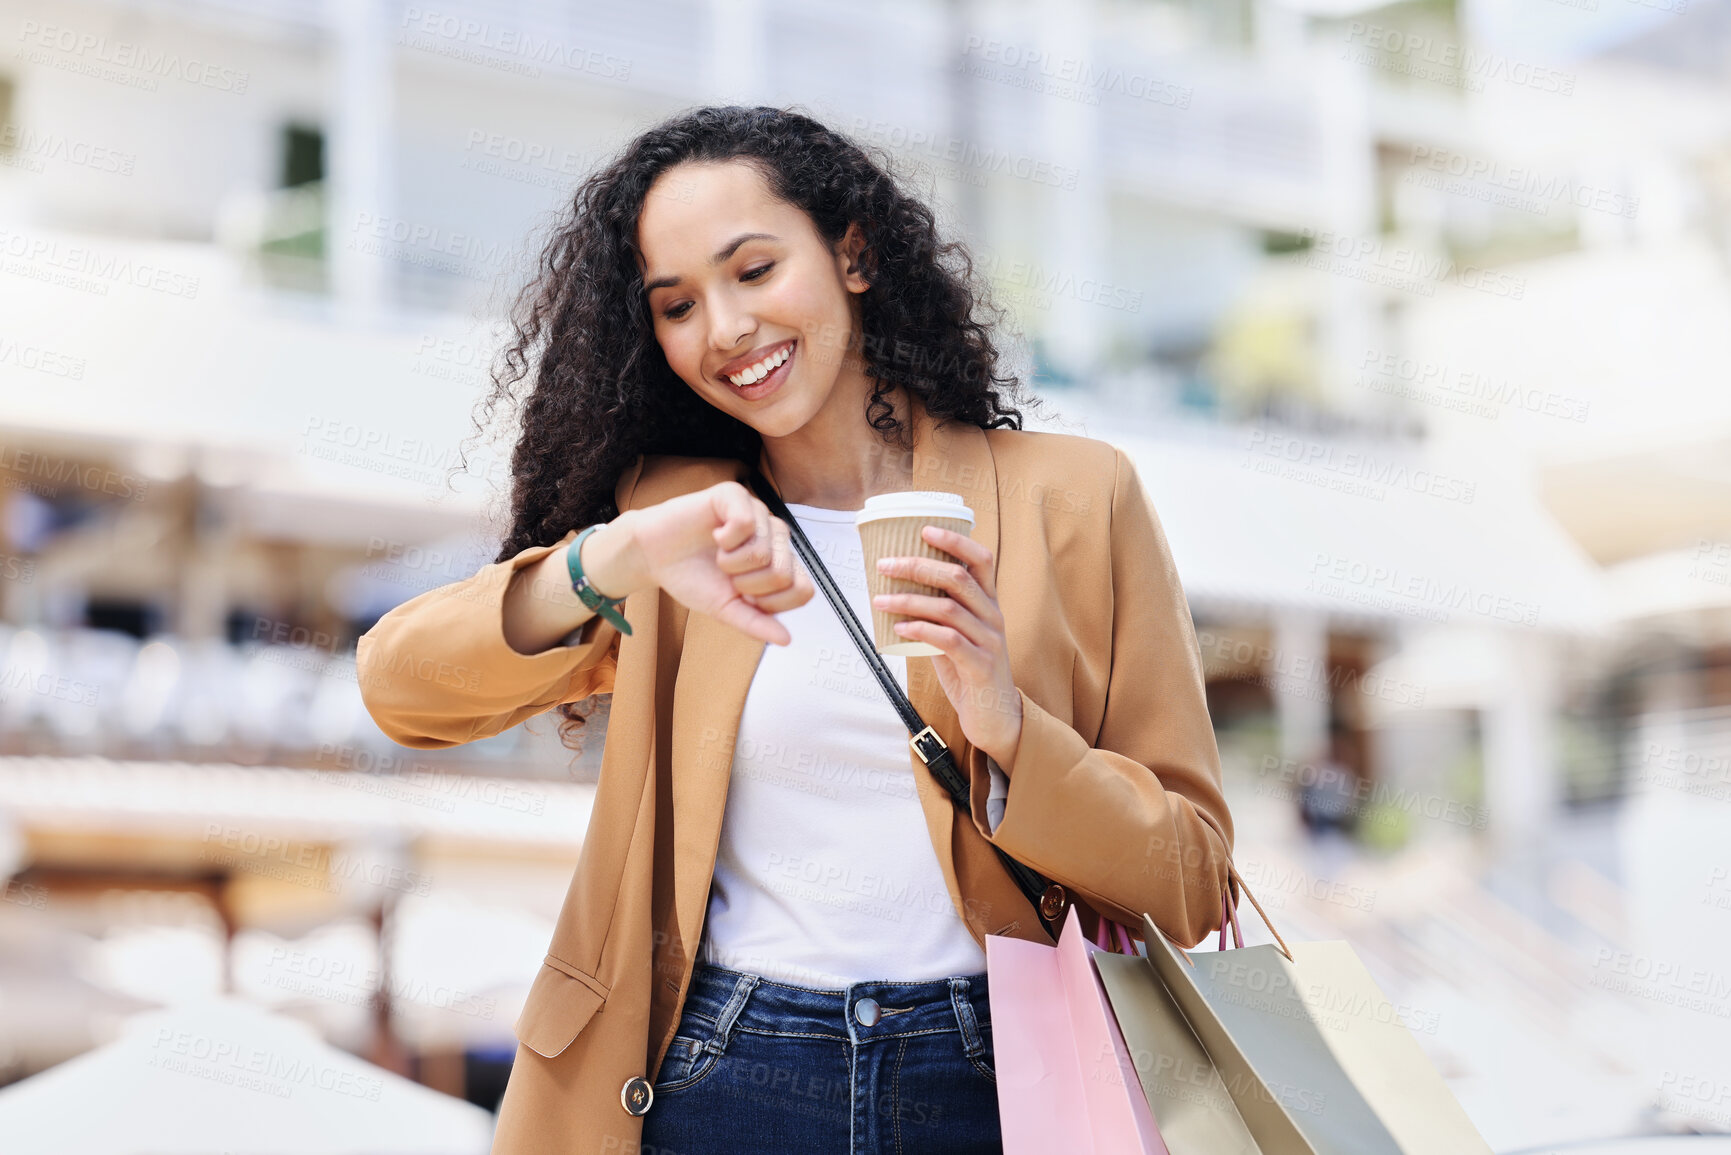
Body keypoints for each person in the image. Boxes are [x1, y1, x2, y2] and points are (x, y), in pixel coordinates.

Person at [357, 105, 1234, 1155]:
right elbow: (397, 688)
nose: (724, 329)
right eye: (676, 305)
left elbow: (1192, 881)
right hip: (725, 1070)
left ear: (853, 255)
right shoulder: (681, 527)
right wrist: (611, 556)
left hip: (1002, 1076)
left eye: (755, 271)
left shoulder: (1076, 499)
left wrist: (1009, 726)